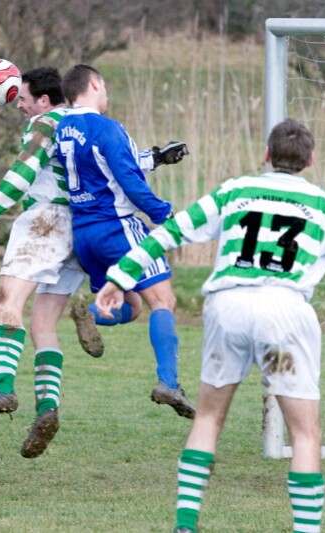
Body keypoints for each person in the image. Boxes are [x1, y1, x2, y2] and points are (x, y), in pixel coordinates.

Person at [96, 118, 325, 533]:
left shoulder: (235, 190)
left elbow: (170, 232)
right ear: (311, 160)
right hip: (285, 313)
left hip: (229, 307)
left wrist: (120, 276)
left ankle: (185, 525)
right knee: (305, 434)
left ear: (266, 155)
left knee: (208, 419)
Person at [0, 66, 90, 458]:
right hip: (82, 227)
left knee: (6, 303)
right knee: (43, 325)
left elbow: (21, 174)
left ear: (44, 101)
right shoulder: (86, 125)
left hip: (47, 221)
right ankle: (47, 408)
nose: (19, 105)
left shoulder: (45, 123)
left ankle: (2, 389)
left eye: (24, 99)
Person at [55, 64, 194, 419]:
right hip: (118, 229)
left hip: (85, 234)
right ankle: (169, 383)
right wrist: (164, 214)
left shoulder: (62, 129)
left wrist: (156, 157)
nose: (106, 95)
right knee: (163, 300)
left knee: (130, 308)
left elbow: (106, 168)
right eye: (104, 87)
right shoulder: (108, 128)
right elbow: (129, 181)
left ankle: (88, 314)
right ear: (94, 84)